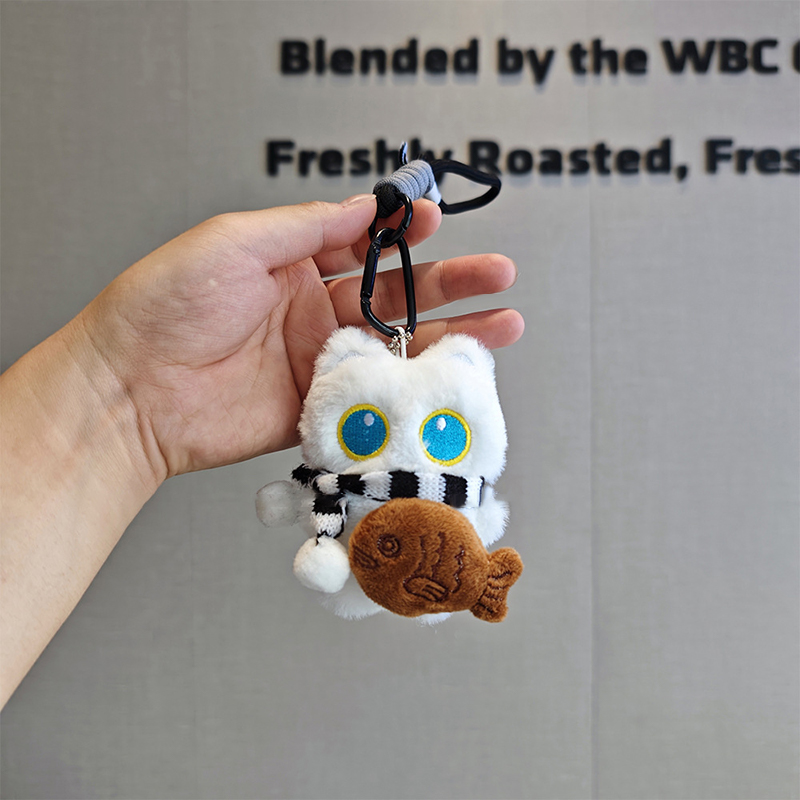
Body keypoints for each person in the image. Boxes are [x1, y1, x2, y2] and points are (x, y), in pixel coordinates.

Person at [0, 195, 524, 707]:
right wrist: (122, 384)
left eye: (447, 435)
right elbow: (313, 489)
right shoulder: (339, 451)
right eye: (362, 431)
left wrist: (122, 395)